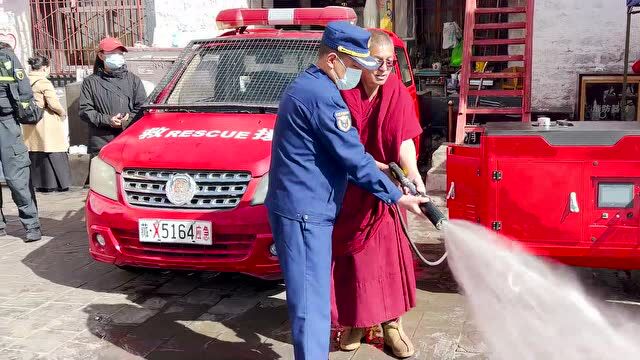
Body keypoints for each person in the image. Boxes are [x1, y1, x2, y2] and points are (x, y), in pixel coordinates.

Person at [265, 22, 429, 360]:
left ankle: (387, 325)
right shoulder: (324, 96)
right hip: (306, 211)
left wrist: (399, 173)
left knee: (311, 297)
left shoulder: (309, 86)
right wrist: (398, 195)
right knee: (311, 303)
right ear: (331, 61)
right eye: (356, 65)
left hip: (310, 205)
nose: (361, 73)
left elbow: (375, 146)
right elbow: (353, 157)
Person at [331, 30, 422, 358]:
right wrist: (379, 169)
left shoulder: (396, 92)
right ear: (360, 61)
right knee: (355, 264)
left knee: (387, 263)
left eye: (389, 62)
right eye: (376, 61)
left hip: (389, 196)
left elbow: (404, 140)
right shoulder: (344, 96)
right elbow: (344, 150)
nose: (383, 69)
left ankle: (392, 325)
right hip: (354, 191)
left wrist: (413, 176)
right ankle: (356, 321)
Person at [79, 37, 146, 160]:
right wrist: (108, 120)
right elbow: (85, 110)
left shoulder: (133, 80)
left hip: (129, 140)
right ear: (101, 55)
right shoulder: (90, 82)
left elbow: (142, 108)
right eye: (112, 53)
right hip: (101, 142)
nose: (117, 56)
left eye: (120, 53)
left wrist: (128, 119)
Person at [0, 42, 41, 242]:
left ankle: (31, 224)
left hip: (5, 122)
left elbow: (24, 89)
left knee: (16, 177)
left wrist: (23, 111)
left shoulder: (5, 55)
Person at [24, 55, 71, 192]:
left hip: (30, 121)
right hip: (46, 120)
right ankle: (59, 184)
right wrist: (62, 112)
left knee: (36, 152)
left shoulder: (25, 80)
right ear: (44, 68)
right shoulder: (43, 82)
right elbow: (53, 103)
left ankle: (41, 184)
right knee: (53, 150)